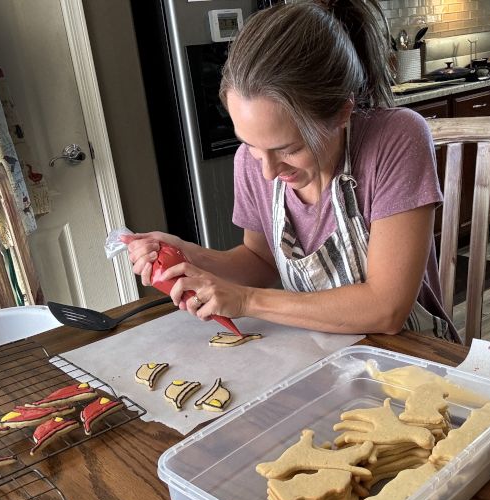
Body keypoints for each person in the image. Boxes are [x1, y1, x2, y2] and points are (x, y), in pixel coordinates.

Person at [123, 0, 458, 340]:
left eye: (290, 149)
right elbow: (260, 261)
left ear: (343, 112)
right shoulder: (250, 164)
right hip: (319, 351)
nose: (267, 171)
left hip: (412, 361)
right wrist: (185, 253)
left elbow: (386, 309)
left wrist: (247, 300)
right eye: (251, 145)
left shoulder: (395, 139)